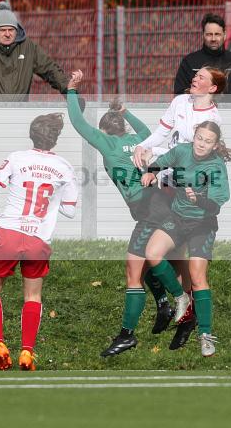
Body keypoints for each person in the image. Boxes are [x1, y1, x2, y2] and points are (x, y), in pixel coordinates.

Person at [64, 70, 175, 357]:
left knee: (132, 270)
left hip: (149, 208)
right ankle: (163, 303)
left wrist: (72, 91)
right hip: (159, 205)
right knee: (144, 265)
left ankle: (129, 333)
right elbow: (151, 135)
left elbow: (77, 122)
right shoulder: (138, 138)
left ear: (103, 131)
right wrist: (127, 111)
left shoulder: (107, 143)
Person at [132, 66, 226, 349]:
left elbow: (186, 155)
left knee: (187, 264)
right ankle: (179, 303)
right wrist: (142, 148)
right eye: (195, 75)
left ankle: (191, 318)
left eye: (201, 78)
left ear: (212, 89)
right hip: (166, 185)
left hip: (186, 193)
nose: (194, 79)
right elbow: (163, 134)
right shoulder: (179, 102)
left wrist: (153, 157)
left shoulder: (210, 120)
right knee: (163, 253)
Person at [0, 113, 78, 371]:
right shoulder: (64, 167)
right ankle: (27, 352)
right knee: (33, 296)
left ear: (31, 134)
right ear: (55, 139)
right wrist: (51, 201)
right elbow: (70, 210)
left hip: (10, 232)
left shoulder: (16, 158)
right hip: (38, 239)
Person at [173, 13, 231, 102]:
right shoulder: (190, 62)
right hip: (200, 114)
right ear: (203, 35)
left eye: (217, 34)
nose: (213, 39)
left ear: (224, 35)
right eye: (209, 34)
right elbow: (180, 94)